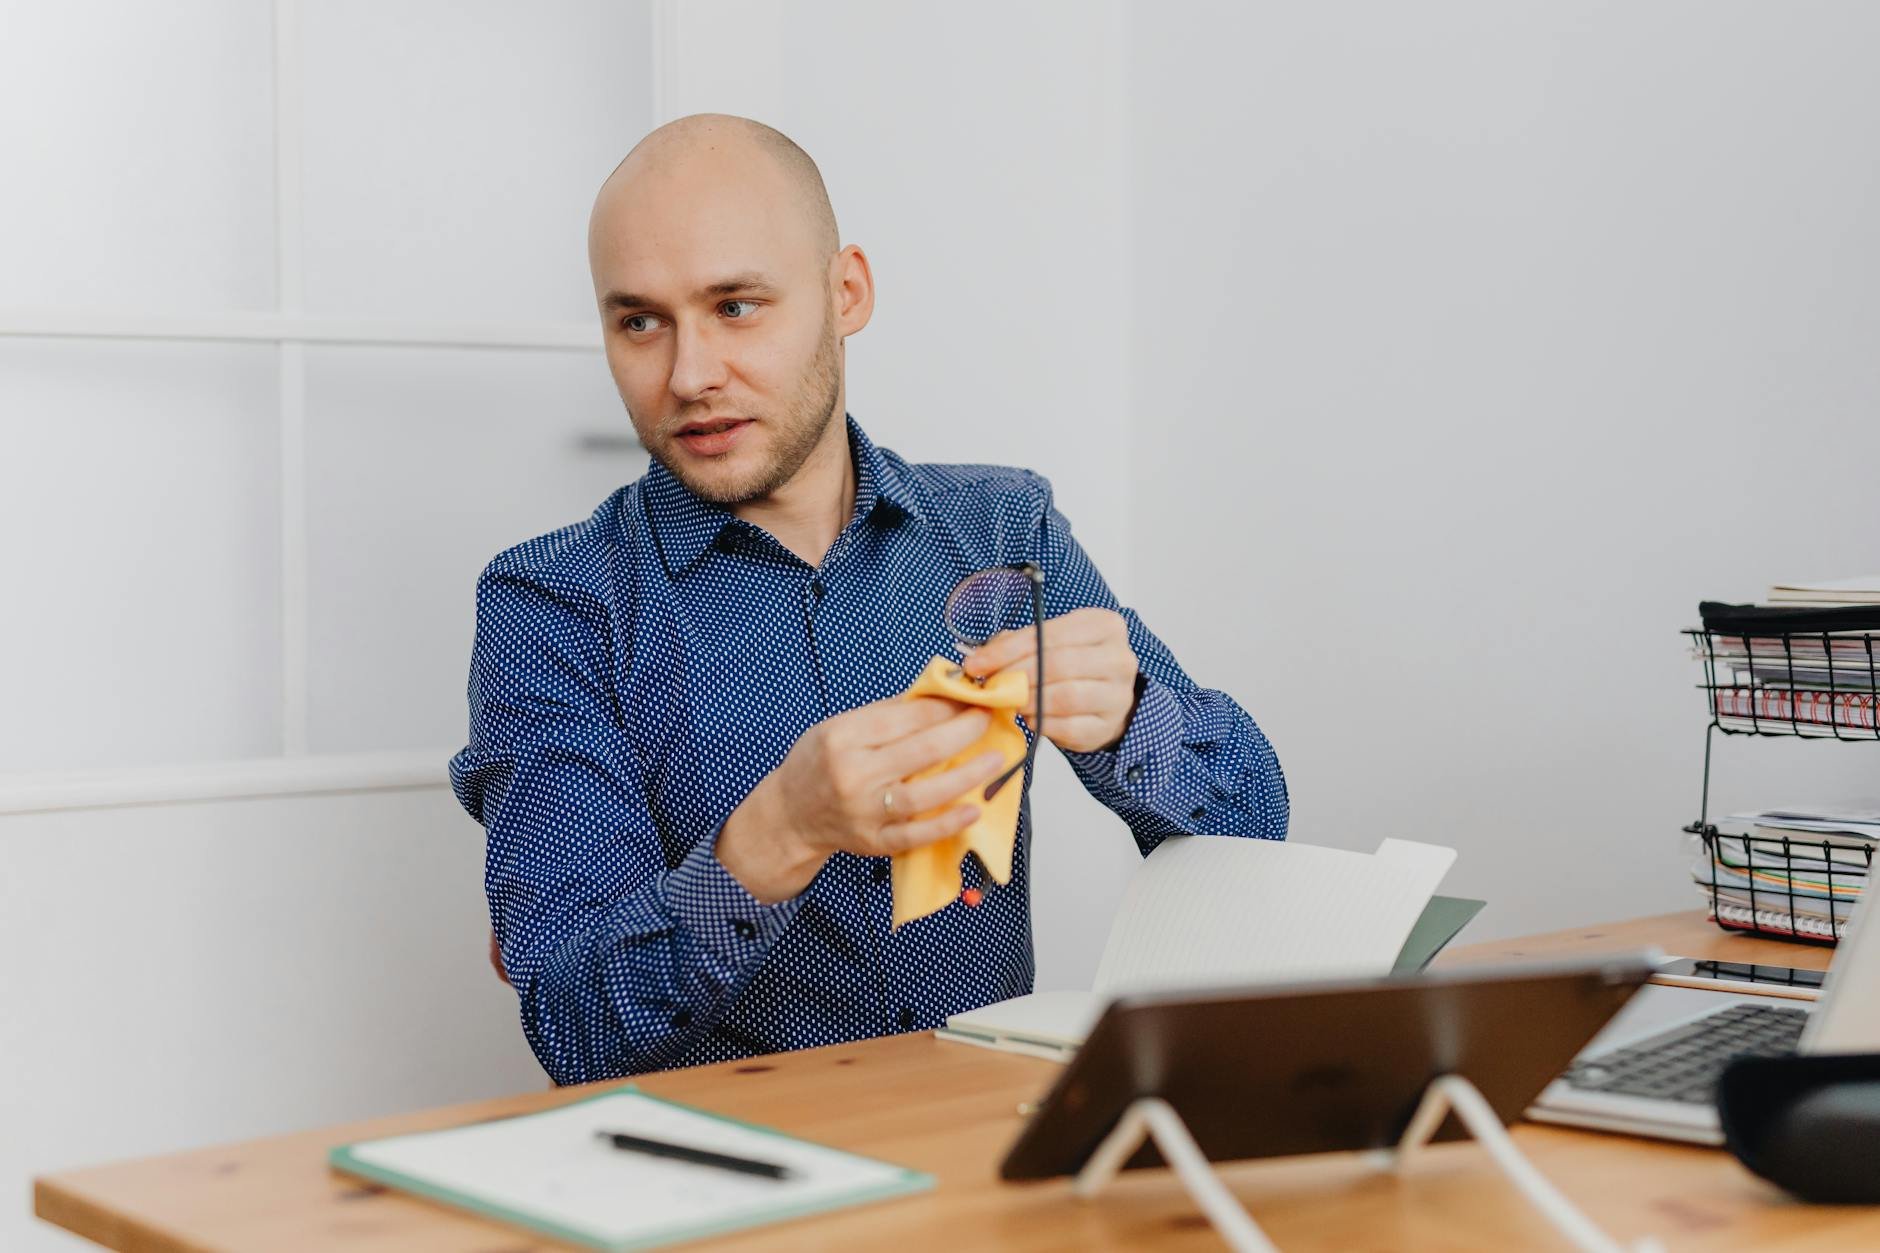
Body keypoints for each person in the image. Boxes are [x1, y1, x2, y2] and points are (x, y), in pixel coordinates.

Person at [449, 114, 1287, 1085]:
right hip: (726, 1184)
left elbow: (1253, 841)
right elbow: (573, 1024)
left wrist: (1136, 720)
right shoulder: (550, 604)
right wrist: (777, 833)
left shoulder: (1005, 531)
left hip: (988, 1151)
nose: (689, 375)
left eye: (736, 305)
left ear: (845, 292)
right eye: (639, 321)